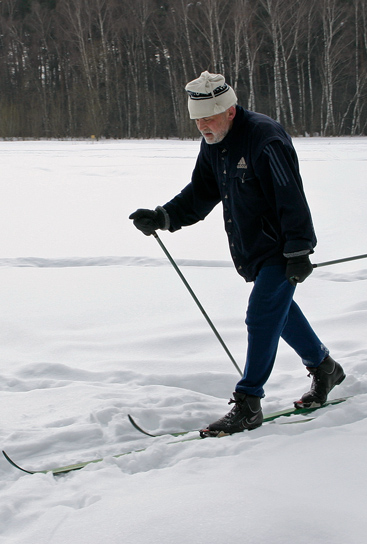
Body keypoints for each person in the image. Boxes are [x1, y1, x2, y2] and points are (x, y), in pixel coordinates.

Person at [129, 71, 345, 437]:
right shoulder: (214, 144)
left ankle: (248, 403)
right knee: (279, 310)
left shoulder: (265, 139)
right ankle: (325, 367)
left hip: (281, 247)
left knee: (261, 314)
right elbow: (200, 193)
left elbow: (290, 195)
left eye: (208, 118)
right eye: (197, 120)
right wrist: (163, 216)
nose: (202, 127)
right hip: (251, 248)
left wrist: (299, 248)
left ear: (229, 111)